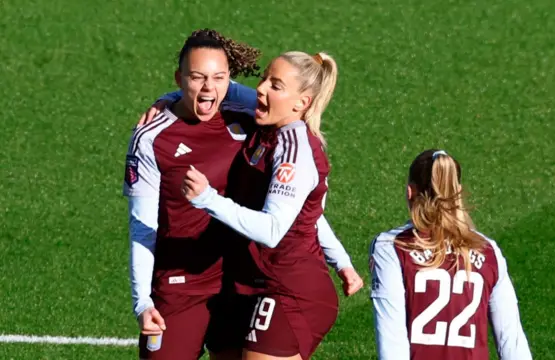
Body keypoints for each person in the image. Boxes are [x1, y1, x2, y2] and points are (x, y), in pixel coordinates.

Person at [124, 29, 361, 360]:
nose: (210, 88)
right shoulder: (153, 137)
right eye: (197, 77)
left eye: (219, 78)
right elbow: (142, 225)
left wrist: (339, 259)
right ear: (180, 78)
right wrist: (142, 300)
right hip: (182, 286)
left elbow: (291, 213)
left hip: (243, 282)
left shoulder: (255, 115)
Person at [181, 51, 345, 360]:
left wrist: (207, 199)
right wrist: (165, 102)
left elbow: (272, 230)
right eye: (264, 78)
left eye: (276, 85)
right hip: (245, 280)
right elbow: (308, 214)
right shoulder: (268, 132)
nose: (261, 88)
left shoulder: (293, 150)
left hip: (288, 288)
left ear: (301, 103)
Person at [369, 149, 532, 360]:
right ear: (459, 192)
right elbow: (512, 343)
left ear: (410, 192)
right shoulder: (488, 250)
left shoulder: (391, 247)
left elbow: (392, 344)